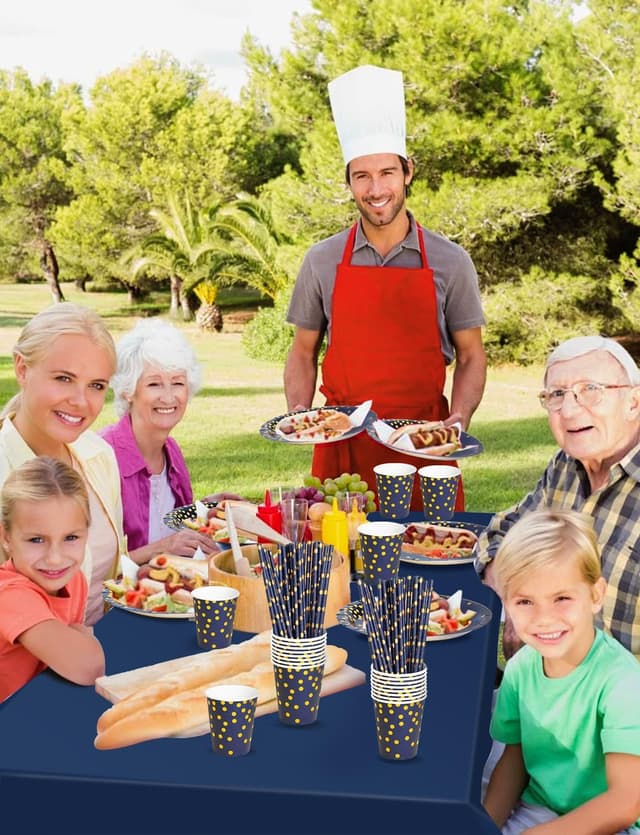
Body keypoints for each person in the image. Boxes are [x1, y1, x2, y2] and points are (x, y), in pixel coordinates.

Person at [284, 64, 486, 510]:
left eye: (387, 173)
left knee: (429, 554)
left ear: (408, 172)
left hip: (423, 446)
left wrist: (458, 419)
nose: (376, 189)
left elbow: (471, 353)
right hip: (342, 444)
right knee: (339, 560)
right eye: (362, 176)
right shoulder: (321, 260)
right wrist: (301, 414)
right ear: (349, 182)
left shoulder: (451, 262)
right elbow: (302, 350)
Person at [475, 335, 640, 660]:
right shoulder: (566, 466)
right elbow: (499, 534)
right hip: (546, 689)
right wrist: (514, 596)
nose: (568, 409)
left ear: (633, 402)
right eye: (557, 395)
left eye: (590, 390)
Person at [483, 509, 640, 834]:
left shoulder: (621, 683)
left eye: (562, 598)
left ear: (595, 595)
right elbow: (515, 760)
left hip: (608, 823)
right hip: (540, 807)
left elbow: (626, 802)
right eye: (525, 602)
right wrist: (485, 826)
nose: (544, 618)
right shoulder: (521, 668)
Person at [0, 303, 125, 626]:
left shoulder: (99, 455)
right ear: (22, 369)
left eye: (96, 385)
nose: (81, 401)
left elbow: (111, 574)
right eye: (64, 378)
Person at [100, 319, 237, 563]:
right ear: (128, 390)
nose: (168, 396)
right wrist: (162, 548)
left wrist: (205, 509)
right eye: (154, 384)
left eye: (177, 383)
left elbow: (171, 527)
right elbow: (92, 565)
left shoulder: (171, 450)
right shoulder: (102, 458)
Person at [0, 457, 106, 703]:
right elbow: (87, 667)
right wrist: (82, 638)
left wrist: (77, 639)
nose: (56, 559)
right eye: (36, 540)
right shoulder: (9, 596)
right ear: (6, 537)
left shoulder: (73, 579)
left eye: (71, 537)